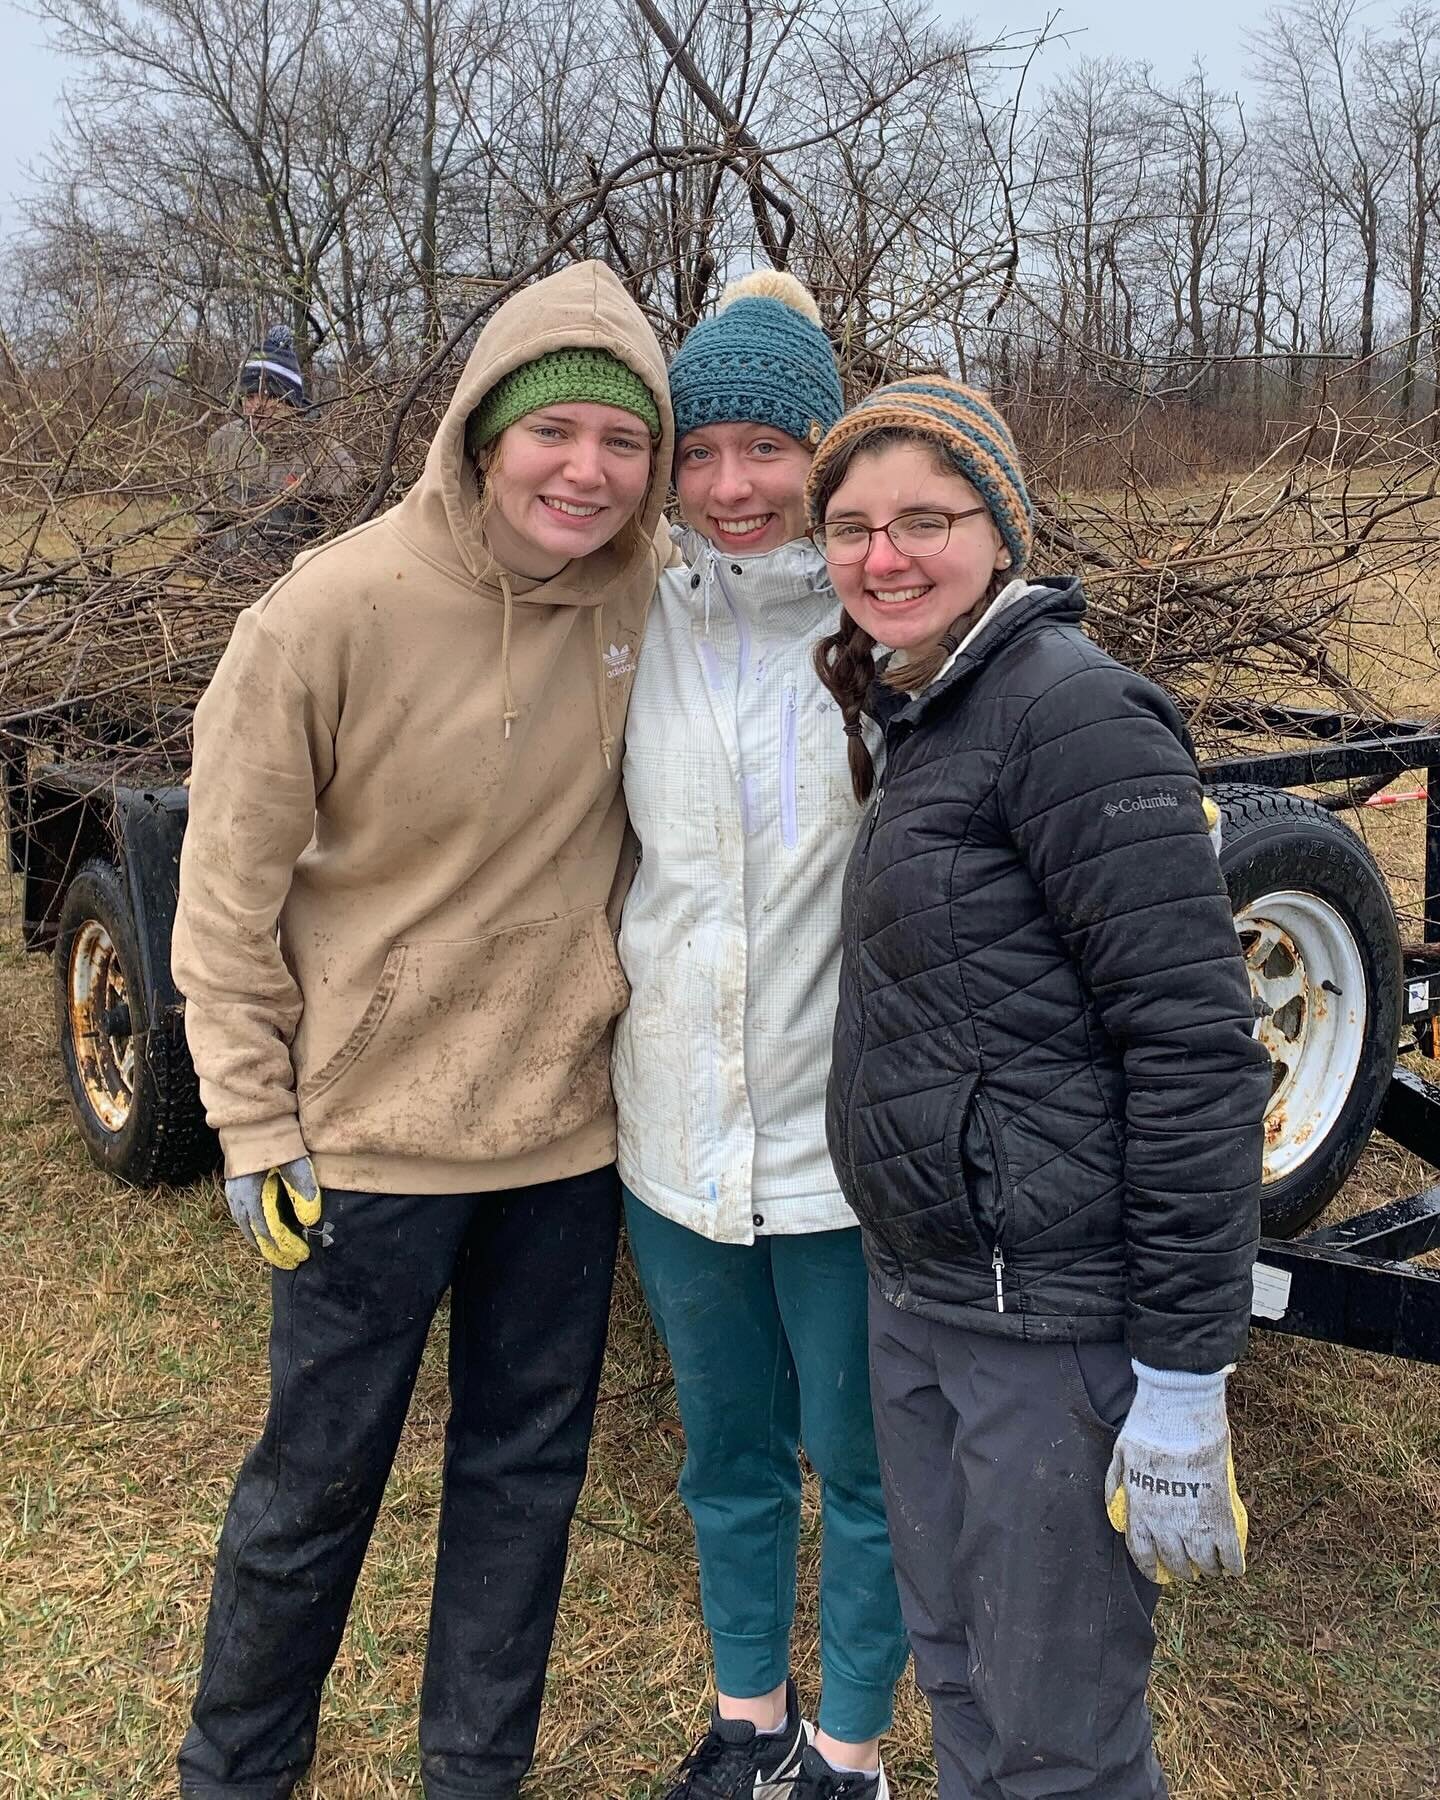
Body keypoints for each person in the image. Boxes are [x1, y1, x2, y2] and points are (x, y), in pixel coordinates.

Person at [170, 261, 673, 1800]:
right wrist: (255, 1125)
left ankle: (477, 1773)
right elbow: (224, 900)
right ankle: (237, 1775)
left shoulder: (656, 603)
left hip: (563, 1144)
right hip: (368, 1145)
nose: (586, 470)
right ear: (478, 433)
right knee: (312, 1493)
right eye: (553, 432)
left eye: (624, 439)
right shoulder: (326, 612)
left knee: (523, 1483)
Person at [804, 377, 1272, 1799]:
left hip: (1050, 1319)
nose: (884, 555)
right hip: (930, 1292)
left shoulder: (1071, 715)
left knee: (1058, 1732)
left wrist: (1187, 1373)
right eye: (852, 526)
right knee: (958, 1674)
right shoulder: (926, 705)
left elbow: (1196, 1048)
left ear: (1001, 532)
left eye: (925, 520)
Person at [613, 271, 909, 1800]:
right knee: (727, 1459)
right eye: (701, 450)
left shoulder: (897, 643)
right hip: (671, 1146)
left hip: (844, 1156)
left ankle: (845, 1756)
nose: (733, 489)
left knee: (863, 1473)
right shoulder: (627, 625)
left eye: (770, 450)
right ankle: (749, 1724)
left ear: (826, 456)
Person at [201, 323, 357, 558]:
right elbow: (204, 519)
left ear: (292, 402)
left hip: (291, 587)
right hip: (225, 585)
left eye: (268, 396)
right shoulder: (223, 442)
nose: (256, 407)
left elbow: (341, 543)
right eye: (249, 396)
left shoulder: (327, 458)